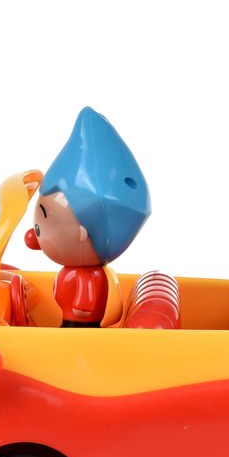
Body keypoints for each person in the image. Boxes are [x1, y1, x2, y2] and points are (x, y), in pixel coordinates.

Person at [24, 107, 151, 327]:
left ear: (83, 233)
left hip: (80, 325)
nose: (33, 236)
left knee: (72, 334)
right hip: (69, 320)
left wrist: (82, 307)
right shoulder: (82, 268)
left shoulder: (88, 276)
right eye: (38, 227)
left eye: (40, 227)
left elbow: (86, 302)